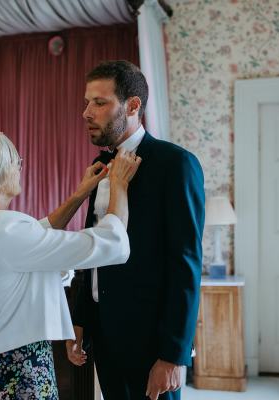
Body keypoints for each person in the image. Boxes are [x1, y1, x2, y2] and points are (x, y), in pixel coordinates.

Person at [0, 120, 141, 399]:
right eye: (16, 161)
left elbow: (31, 238)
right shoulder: (6, 231)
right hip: (18, 366)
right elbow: (111, 244)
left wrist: (79, 194)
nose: (19, 168)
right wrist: (119, 185)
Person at [67, 61, 205, 400]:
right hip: (104, 331)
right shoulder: (101, 167)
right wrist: (81, 319)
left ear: (132, 106)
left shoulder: (175, 164)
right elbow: (93, 252)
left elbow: (186, 264)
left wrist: (174, 354)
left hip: (152, 339)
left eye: (99, 102)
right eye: (87, 102)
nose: (87, 112)